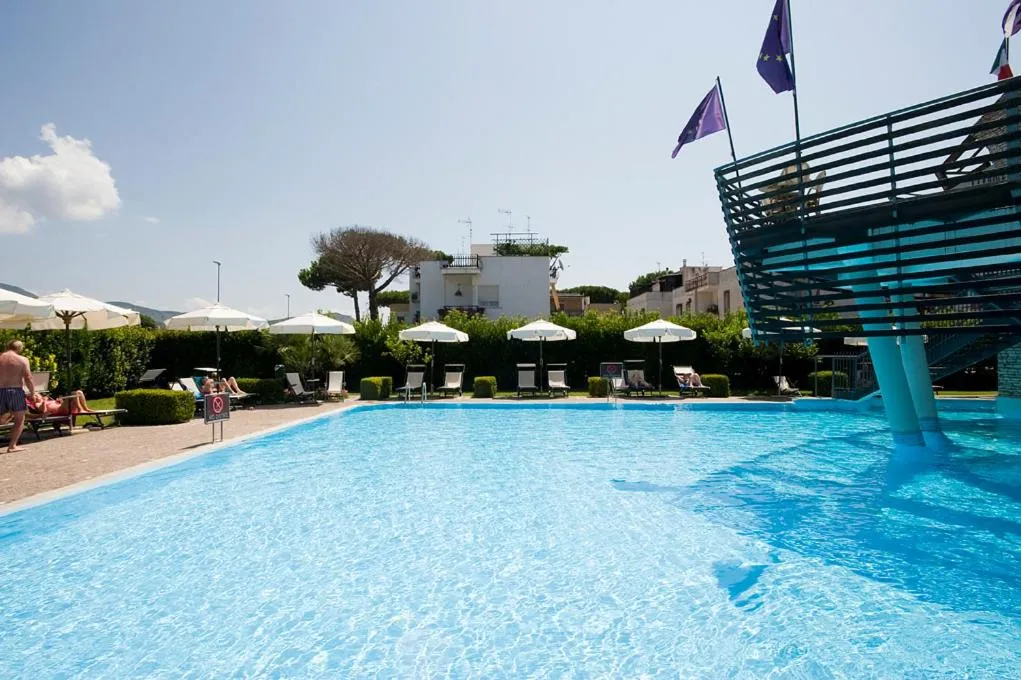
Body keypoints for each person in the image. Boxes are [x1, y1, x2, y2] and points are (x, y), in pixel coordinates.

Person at [0, 340, 35, 453]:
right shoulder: (23, 360)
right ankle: (12, 446)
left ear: (7, 346)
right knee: (20, 419)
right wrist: (33, 393)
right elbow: (28, 378)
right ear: (19, 348)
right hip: (15, 391)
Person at [26, 390, 95, 418]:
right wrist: (44, 402)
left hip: (63, 407)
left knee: (79, 392)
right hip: (61, 410)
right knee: (74, 394)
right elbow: (44, 411)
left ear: (40, 395)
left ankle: (86, 409)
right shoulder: (37, 404)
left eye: (36, 394)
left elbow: (57, 404)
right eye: (34, 396)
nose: (36, 396)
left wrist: (60, 401)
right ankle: (80, 410)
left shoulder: (48, 399)